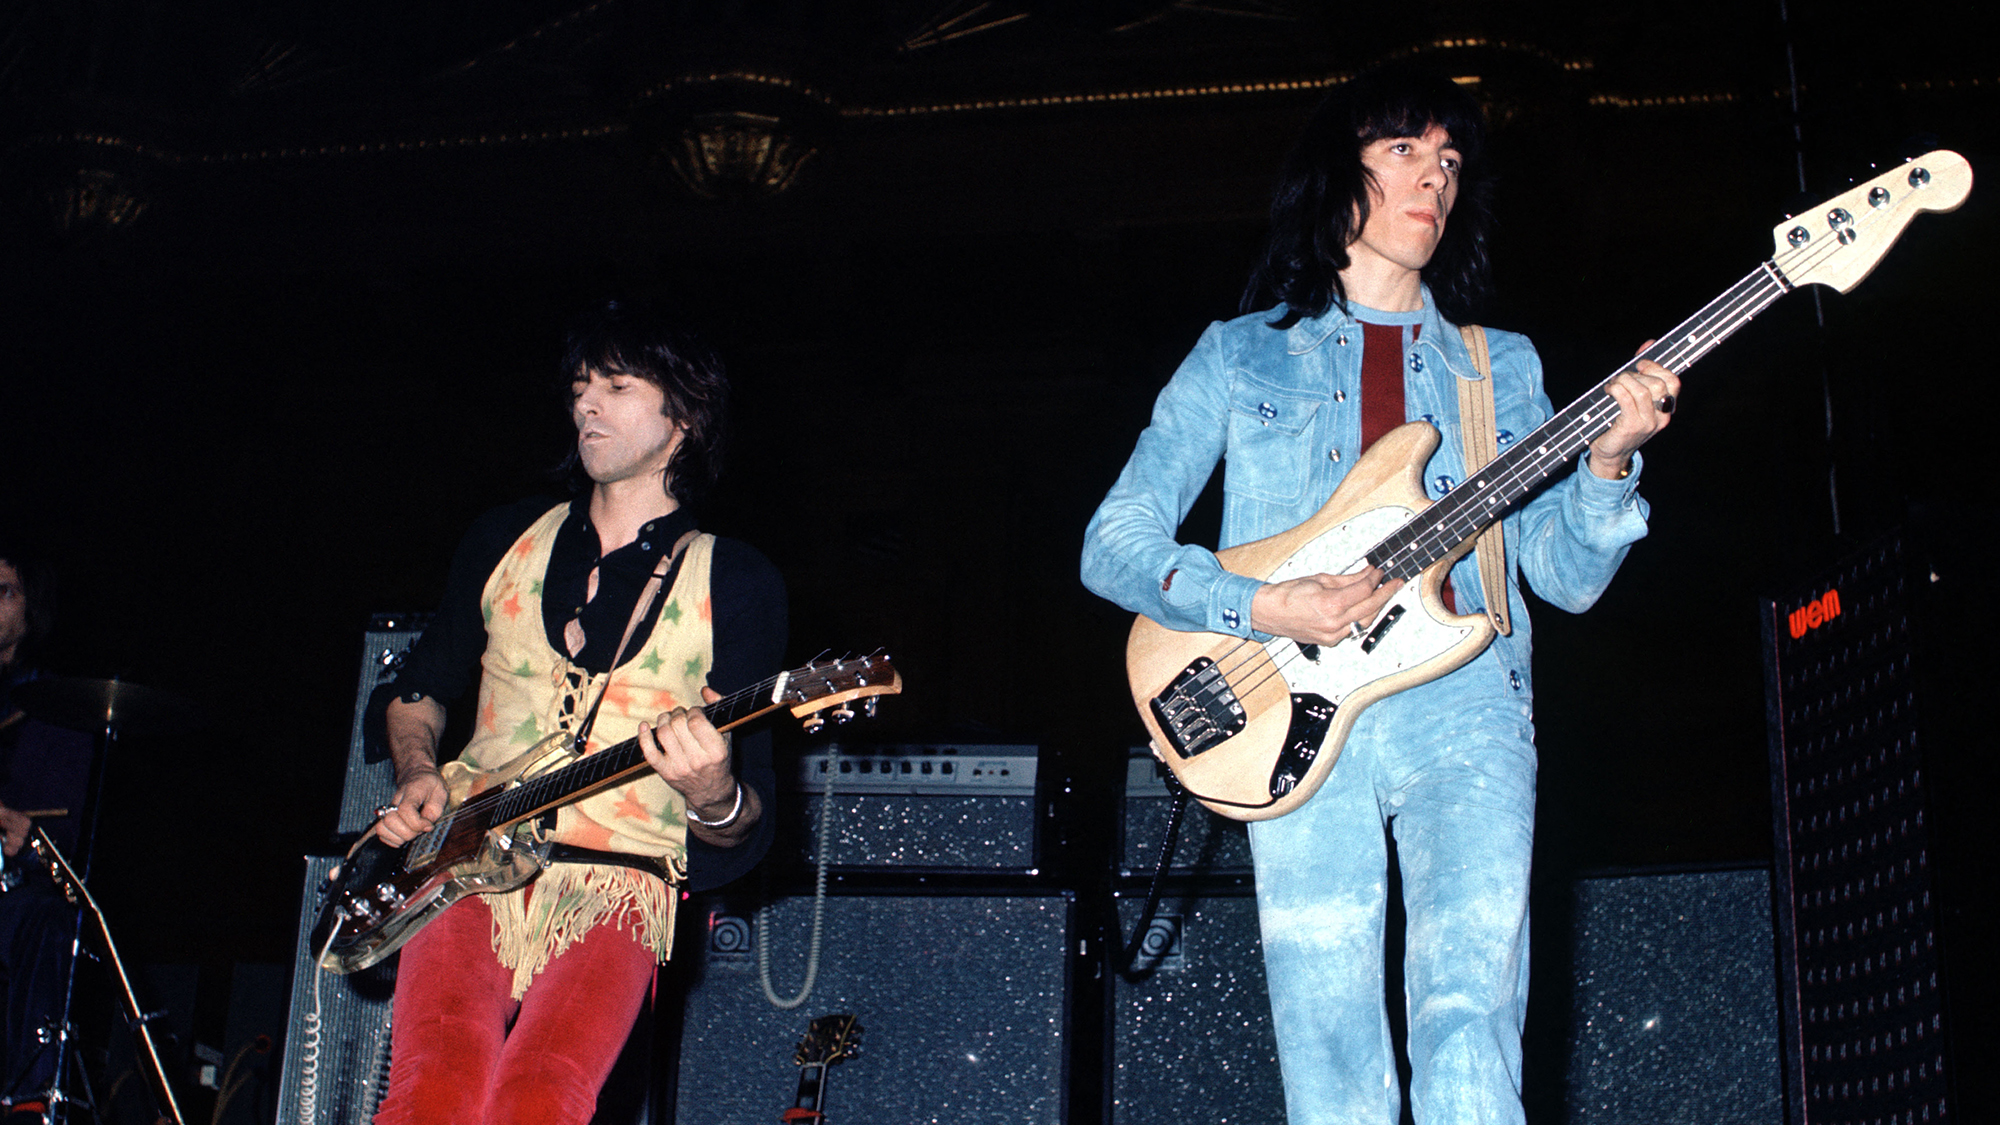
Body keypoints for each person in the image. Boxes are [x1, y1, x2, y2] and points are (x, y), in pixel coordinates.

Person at [1080, 67, 1679, 1124]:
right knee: (1328, 1038)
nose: (1433, 178)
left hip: (1468, 706)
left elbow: (1562, 580)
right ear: (1336, 175)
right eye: (1405, 150)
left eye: (1449, 162)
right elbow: (1111, 544)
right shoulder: (1237, 354)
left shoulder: (1503, 370)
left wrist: (1606, 467)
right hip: (1287, 711)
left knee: (1470, 1009)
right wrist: (1261, 608)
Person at [365, 300, 787, 1125]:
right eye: (581, 386)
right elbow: (416, 692)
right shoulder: (503, 538)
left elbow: (748, 823)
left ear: (686, 419)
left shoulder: (735, 580)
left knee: (541, 1101)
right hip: (464, 855)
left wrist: (711, 793)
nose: (585, 404)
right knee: (430, 1095)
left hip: (618, 882)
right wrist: (418, 768)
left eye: (617, 386)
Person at [0, 541, 91, 1121]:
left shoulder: (54, 707)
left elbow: (64, 833)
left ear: (30, 610)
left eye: (4, 591)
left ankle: (28, 1101)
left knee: (48, 919)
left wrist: (24, 832)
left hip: (12, 890)